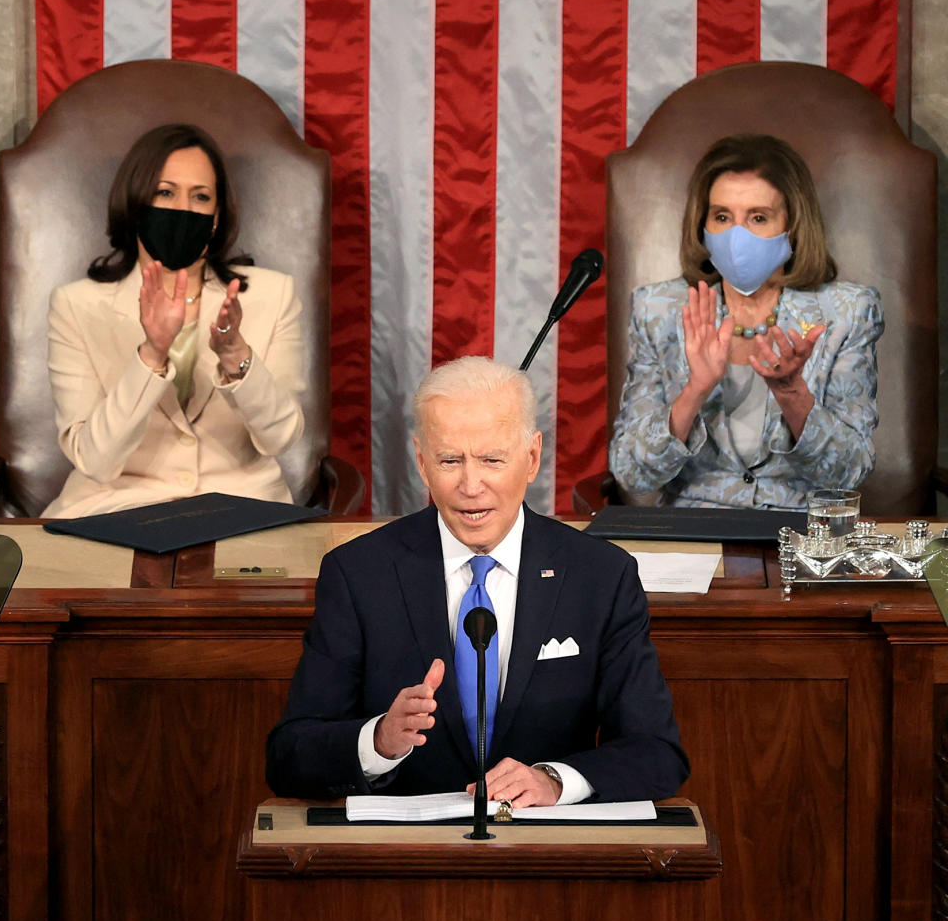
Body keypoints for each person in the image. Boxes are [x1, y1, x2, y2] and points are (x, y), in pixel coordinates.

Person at [267, 357, 687, 806]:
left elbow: (657, 752)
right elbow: (290, 757)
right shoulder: (358, 574)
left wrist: (556, 781)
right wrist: (378, 741)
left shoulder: (600, 576)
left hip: (550, 859)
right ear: (422, 462)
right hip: (404, 860)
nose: (471, 485)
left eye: (491, 460)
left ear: (532, 458)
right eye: (450, 460)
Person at [44, 123, 309, 517]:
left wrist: (236, 355)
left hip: (240, 512)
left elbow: (281, 438)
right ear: (134, 203)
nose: (182, 209)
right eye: (165, 192)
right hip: (114, 512)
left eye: (200, 197)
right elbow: (95, 460)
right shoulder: (76, 305)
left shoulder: (274, 295)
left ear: (216, 216)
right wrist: (152, 354)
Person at [609, 134, 884, 509]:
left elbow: (850, 472)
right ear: (702, 224)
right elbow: (631, 473)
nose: (737, 236)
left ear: (793, 225)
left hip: (799, 536)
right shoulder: (659, 309)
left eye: (758, 217)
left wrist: (792, 395)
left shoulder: (847, 312)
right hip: (694, 534)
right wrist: (695, 391)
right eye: (722, 216)